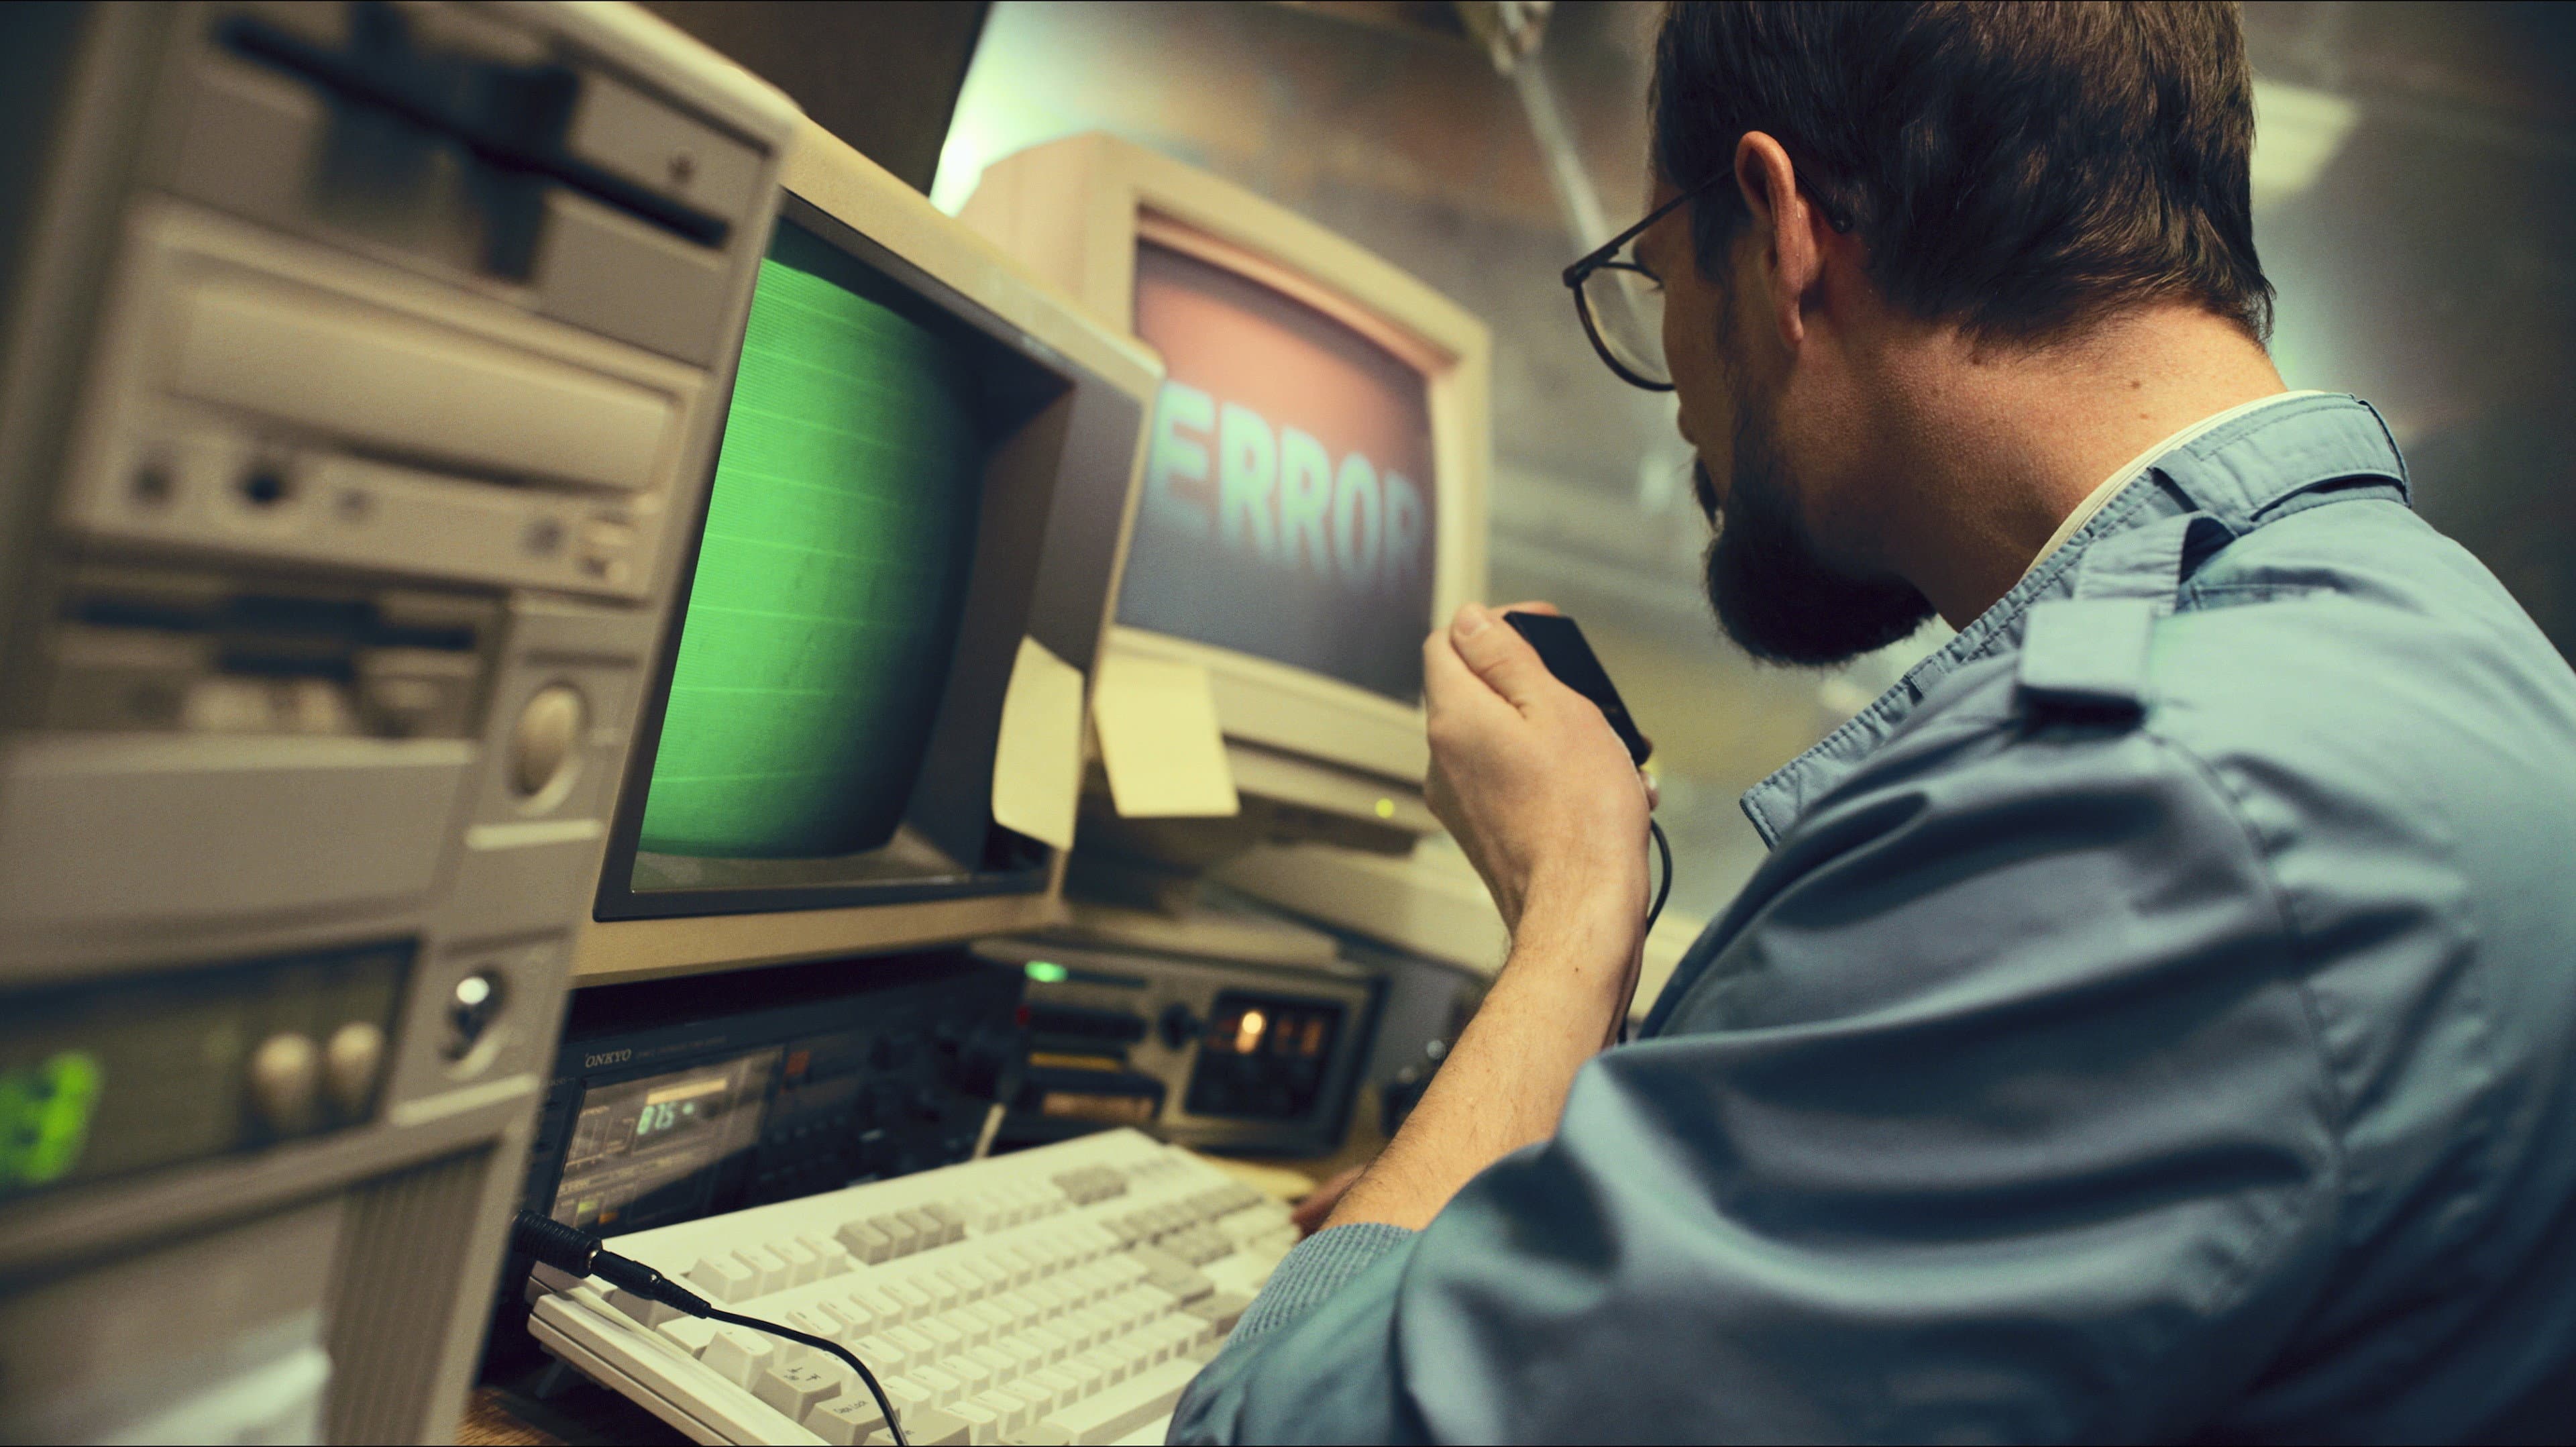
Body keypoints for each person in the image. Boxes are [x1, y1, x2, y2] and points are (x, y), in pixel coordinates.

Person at [1169, 3, 2576, 1441]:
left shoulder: (2143, 817)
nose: (1682, 419)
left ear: (1781, 232)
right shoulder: (2441, 641)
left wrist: (1575, 909)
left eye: (1659, 286)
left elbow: (1276, 1433)